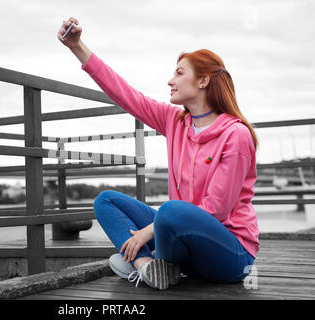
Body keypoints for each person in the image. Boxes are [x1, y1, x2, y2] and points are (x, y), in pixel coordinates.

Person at [57, 17, 259, 290]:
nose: (170, 81)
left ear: (202, 81)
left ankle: (149, 259)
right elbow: (125, 94)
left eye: (179, 73)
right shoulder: (174, 121)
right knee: (106, 201)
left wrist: (148, 231)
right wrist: (76, 46)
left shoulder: (236, 135)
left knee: (172, 210)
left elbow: (216, 211)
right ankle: (147, 266)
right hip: (183, 243)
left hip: (230, 254)